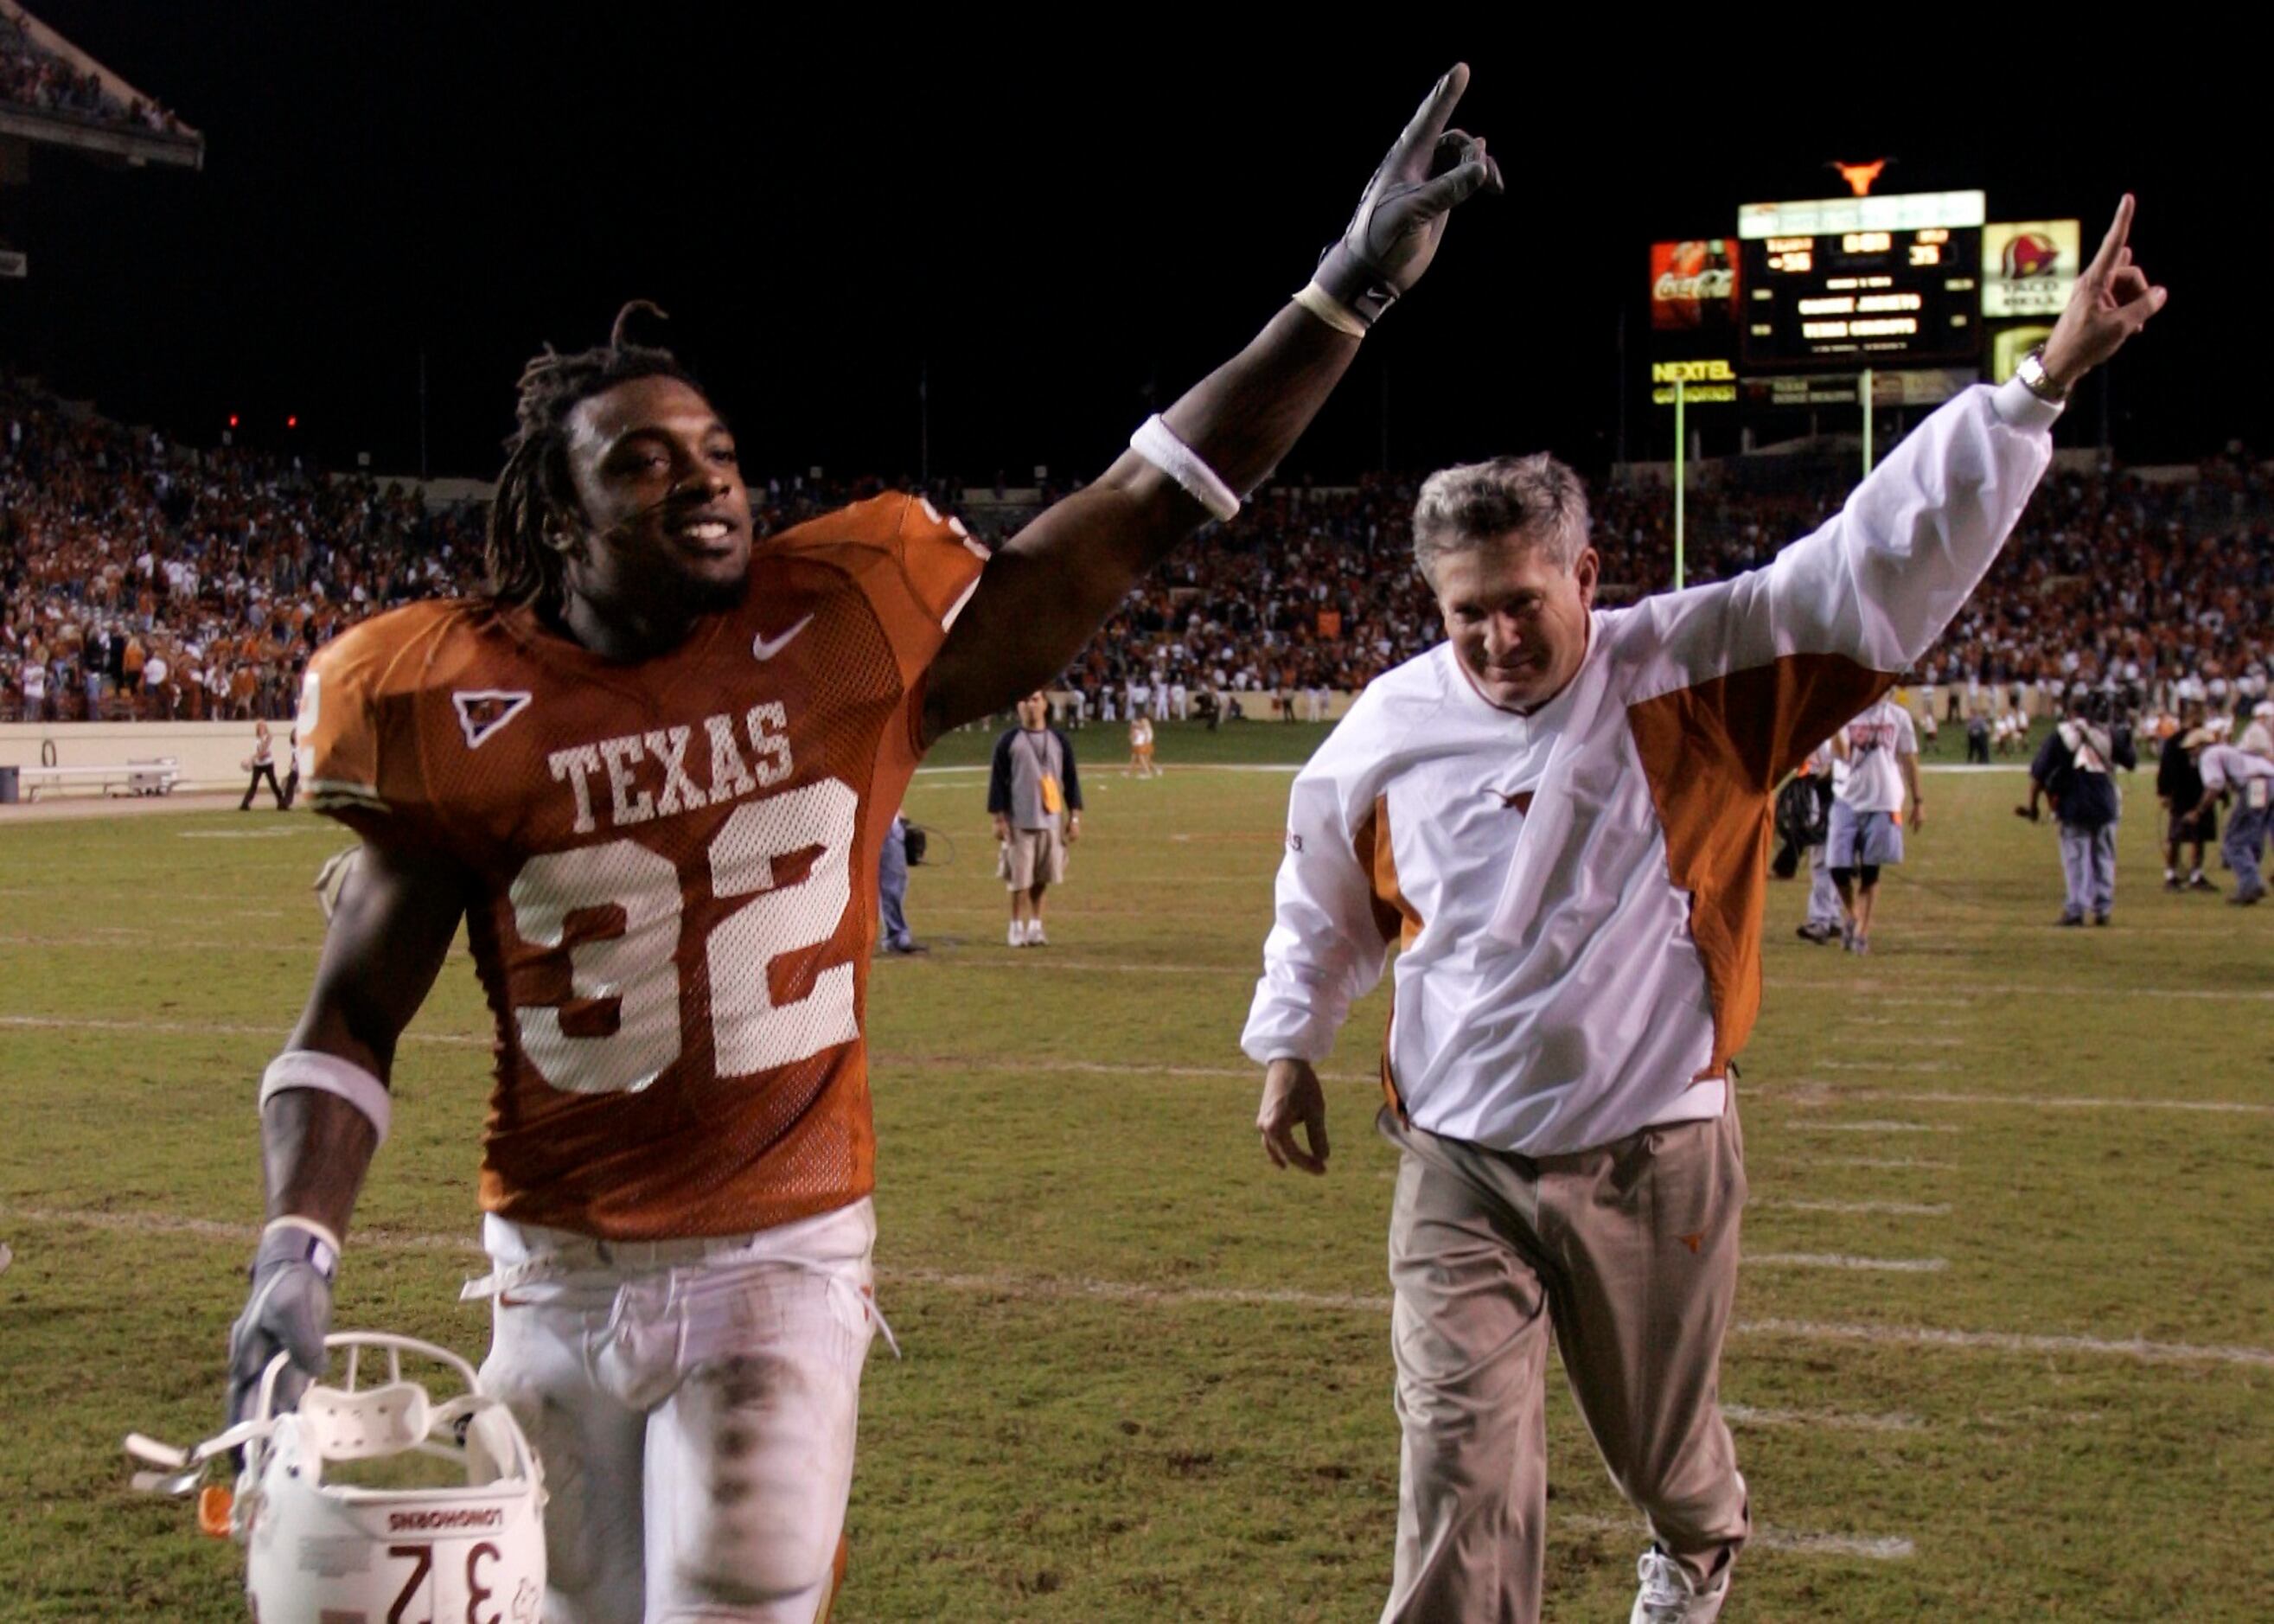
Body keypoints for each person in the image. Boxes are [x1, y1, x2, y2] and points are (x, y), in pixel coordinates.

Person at [224, 68, 1501, 1624]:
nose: (702, 473)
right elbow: (352, 1014)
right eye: (642, 457)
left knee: (744, 1594)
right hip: (548, 1259)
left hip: (779, 1249)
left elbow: (1142, 505)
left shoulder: (844, 629)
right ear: (558, 518)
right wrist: (295, 1243)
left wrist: (1342, 295)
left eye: (715, 445)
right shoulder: (453, 699)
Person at [1244, 197, 2160, 1624]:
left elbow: (1875, 559)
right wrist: (1292, 1039)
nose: (1493, 636)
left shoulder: (1694, 669)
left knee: (1661, 1444)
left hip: (1654, 1147)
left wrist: (2037, 386)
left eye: (1520, 602)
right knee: (1458, 1468)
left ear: (1588, 578)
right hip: (1457, 1159)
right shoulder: (1383, 728)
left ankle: (1697, 1536)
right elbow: (1324, 889)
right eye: (1463, 608)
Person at [2020, 692, 2136, 925]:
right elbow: (2131, 760)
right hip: (2105, 802)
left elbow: (2038, 775)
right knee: (2104, 857)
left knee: (2076, 859)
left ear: (2071, 712)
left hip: (2074, 802)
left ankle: (2076, 909)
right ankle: (2103, 909)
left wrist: (2032, 807)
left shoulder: (2061, 736)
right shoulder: (2107, 735)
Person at [1829, 693, 1922, 954]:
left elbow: (1909, 759)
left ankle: (1862, 931)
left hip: (1884, 799)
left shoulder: (1898, 716)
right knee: (1838, 869)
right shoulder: (1845, 713)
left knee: (1871, 870)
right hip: (1846, 798)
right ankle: (1853, 913)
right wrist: (1835, 726)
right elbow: (1841, 754)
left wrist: (1918, 800)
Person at [990, 689, 1084, 944]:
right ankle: (1015, 926)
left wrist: (1074, 817)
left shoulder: (1059, 740)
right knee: (1020, 879)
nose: (1030, 705)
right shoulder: (1008, 740)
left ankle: (1035, 925)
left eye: (1035, 699)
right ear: (1018, 707)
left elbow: (1071, 780)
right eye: (1025, 700)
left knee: (1043, 877)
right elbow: (997, 782)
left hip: (1051, 820)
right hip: (1019, 821)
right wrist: (999, 819)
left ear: (1044, 704)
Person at [2189, 732, 2274, 904]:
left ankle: (2250, 884)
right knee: (2254, 836)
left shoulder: (2209, 755)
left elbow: (2214, 785)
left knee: (2234, 841)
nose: (2191, 753)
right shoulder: (2229, 750)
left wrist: (2198, 812)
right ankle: (2251, 878)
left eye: (2192, 749)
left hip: (2256, 785)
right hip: (2270, 781)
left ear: (2201, 746)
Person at [1789, 737, 1843, 944]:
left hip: (1825, 798)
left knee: (1821, 862)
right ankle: (1834, 916)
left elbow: (1825, 767)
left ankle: (1820, 920)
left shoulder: (1823, 732)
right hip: (1839, 799)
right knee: (1834, 859)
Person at [2158, 702, 2215, 891]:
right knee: (2176, 836)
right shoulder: (2174, 741)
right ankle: (2171, 874)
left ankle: (2196, 874)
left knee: (2200, 836)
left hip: (2202, 792)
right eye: (2195, 715)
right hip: (2181, 793)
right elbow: (2165, 769)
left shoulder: (2208, 740)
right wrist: (2165, 792)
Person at [877, 810, 922, 955]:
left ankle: (896, 937)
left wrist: (898, 814)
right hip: (846, 819)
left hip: (886, 821)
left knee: (894, 882)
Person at [240, 717, 287, 810]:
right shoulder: (256, 739)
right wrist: (253, 760)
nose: (261, 729)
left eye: (262, 727)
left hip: (268, 764)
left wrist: (251, 758)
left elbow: (264, 751)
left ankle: (282, 803)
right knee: (253, 785)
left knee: (273, 784)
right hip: (258, 765)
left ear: (265, 728)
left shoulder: (269, 736)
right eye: (259, 727)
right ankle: (245, 804)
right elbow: (259, 753)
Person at [1127, 710, 1161, 777]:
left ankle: (1150, 771)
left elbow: (1142, 728)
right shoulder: (1143, 722)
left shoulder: (1144, 721)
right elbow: (1136, 729)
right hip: (1145, 741)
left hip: (1146, 742)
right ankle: (1151, 770)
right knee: (1142, 758)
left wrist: (1134, 725)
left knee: (1144, 758)